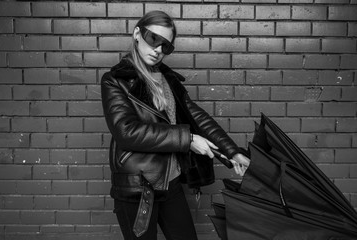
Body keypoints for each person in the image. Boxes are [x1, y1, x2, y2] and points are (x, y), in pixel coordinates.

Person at [101, 10, 250, 240]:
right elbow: (126, 132)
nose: (159, 49)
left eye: (166, 46)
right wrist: (188, 140)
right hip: (138, 188)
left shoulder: (167, 79)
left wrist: (232, 152)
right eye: (153, 39)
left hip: (170, 183)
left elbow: (197, 118)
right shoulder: (115, 81)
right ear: (137, 34)